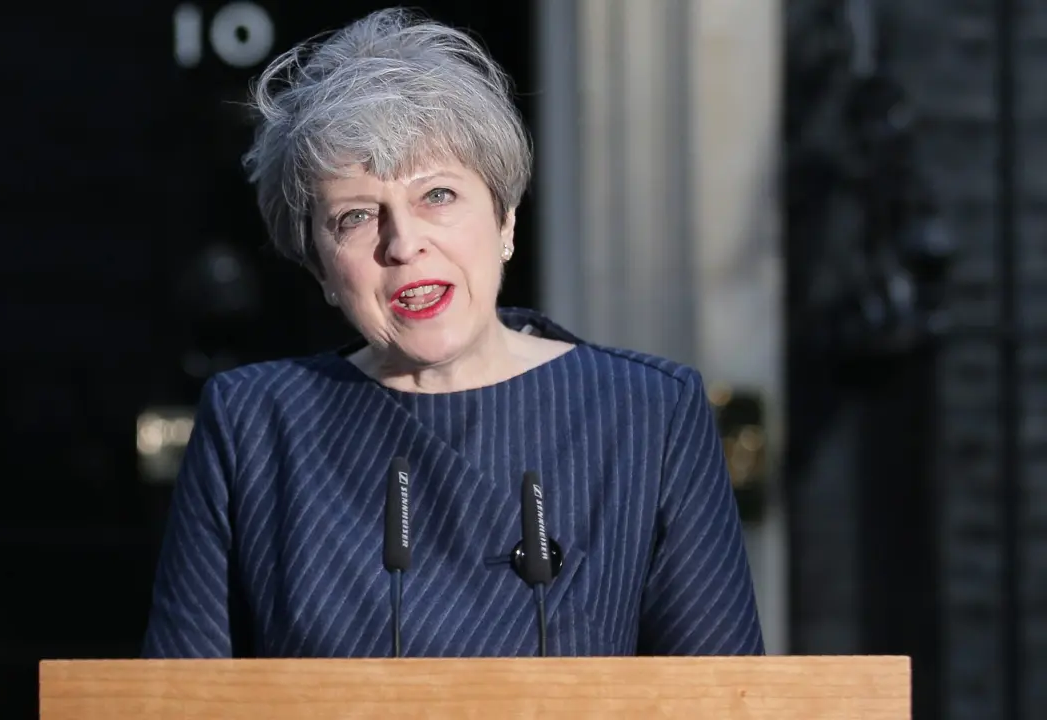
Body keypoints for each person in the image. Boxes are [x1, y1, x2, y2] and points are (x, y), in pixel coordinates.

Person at [142, 8, 765, 659]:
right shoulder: (252, 426)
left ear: (505, 220)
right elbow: (181, 694)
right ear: (320, 268)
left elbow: (724, 694)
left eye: (437, 195)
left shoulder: (650, 414)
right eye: (356, 217)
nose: (404, 243)